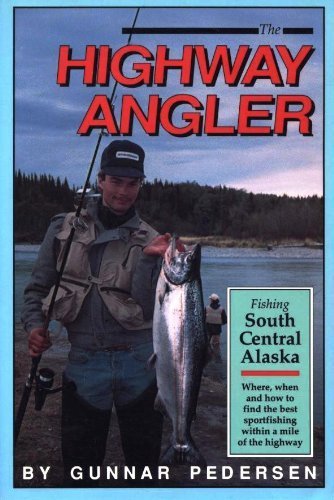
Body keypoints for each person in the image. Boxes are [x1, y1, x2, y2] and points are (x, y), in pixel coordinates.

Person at [21, 139, 176, 486]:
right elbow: (36, 289)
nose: (123, 191)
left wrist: (152, 260)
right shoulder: (61, 228)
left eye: (132, 183)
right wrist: (34, 327)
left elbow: (152, 308)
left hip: (140, 364)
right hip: (84, 362)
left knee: (144, 467)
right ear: (101, 179)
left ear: (141, 185)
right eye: (116, 181)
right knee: (80, 467)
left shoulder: (153, 240)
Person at [205, 293, 227, 361]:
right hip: (217, 330)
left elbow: (203, 318)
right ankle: (218, 359)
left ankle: (207, 358)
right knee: (216, 345)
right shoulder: (222, 309)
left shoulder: (206, 308)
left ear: (211, 300)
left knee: (206, 344)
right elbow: (225, 320)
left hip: (208, 329)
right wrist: (220, 323)